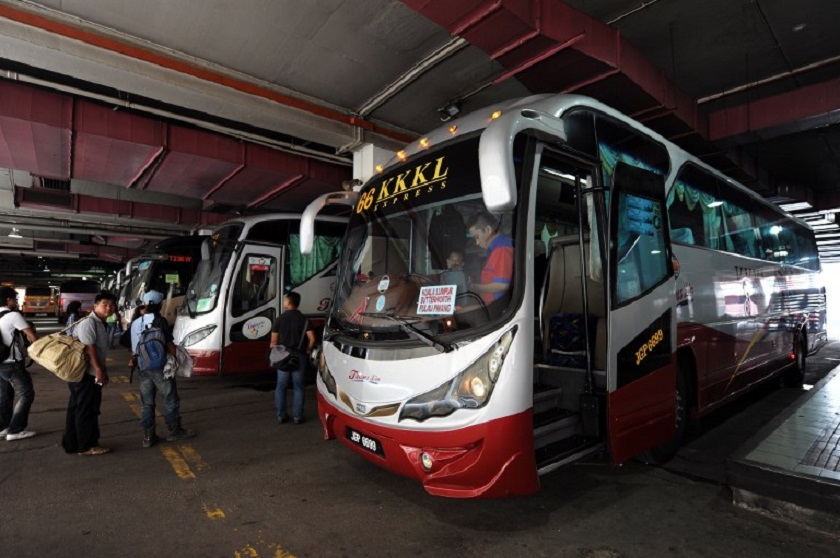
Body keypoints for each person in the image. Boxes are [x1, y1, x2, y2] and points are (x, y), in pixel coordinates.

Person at [128, 290, 194, 448]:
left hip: (142, 366)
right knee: (170, 399)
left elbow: (133, 347)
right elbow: (169, 344)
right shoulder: (160, 321)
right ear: (160, 304)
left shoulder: (136, 322)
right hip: (160, 366)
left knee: (147, 403)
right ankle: (174, 431)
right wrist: (176, 361)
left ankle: (148, 437)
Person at [61, 291, 117, 456]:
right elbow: (89, 347)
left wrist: (102, 370)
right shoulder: (89, 323)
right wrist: (99, 370)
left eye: (112, 305)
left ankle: (72, 443)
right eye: (105, 304)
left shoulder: (100, 323)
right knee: (87, 409)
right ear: (95, 306)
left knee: (77, 408)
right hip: (85, 375)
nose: (109, 308)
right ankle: (86, 445)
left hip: (89, 373)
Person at [270, 292, 315, 425]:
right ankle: (297, 416)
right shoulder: (305, 320)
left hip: (283, 357)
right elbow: (312, 339)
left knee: (281, 386)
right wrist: (308, 349)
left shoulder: (280, 319)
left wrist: (276, 353)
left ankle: (281, 415)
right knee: (299, 386)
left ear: (289, 302)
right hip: (299, 356)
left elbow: (273, 342)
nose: (284, 302)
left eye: (285, 300)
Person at [0, 286, 39, 441]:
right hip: (12, 363)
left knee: (5, 396)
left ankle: (3, 427)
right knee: (26, 394)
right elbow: (32, 336)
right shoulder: (13, 315)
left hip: (0, 362)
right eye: (15, 299)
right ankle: (15, 430)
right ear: (8, 300)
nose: (16, 302)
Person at [467, 211, 514, 305]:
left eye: (477, 237)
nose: (477, 242)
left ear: (488, 230)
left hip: (497, 307)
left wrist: (473, 287)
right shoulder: (494, 248)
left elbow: (502, 285)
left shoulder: (503, 248)